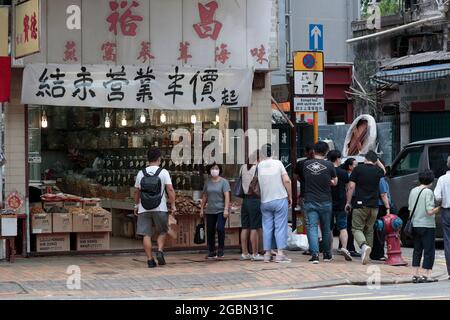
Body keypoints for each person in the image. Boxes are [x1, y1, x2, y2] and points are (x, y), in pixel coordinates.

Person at [345, 151, 390, 265]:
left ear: (365, 158)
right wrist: (377, 161)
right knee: (369, 230)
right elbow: (384, 171)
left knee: (356, 228)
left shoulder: (358, 169)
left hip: (360, 204)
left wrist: (348, 202)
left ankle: (364, 246)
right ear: (375, 161)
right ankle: (367, 256)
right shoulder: (378, 171)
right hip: (374, 205)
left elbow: (351, 186)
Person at [134, 148, 176, 268]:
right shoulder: (163, 172)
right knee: (162, 231)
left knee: (146, 234)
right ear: (159, 159)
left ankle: (150, 260)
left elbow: (137, 192)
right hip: (160, 207)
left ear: (148, 159)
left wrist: (136, 205)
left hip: (144, 208)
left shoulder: (141, 173)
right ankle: (160, 251)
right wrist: (173, 205)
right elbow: (170, 190)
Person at [303, 141, 337, 264]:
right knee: (326, 229)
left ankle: (315, 254)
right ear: (326, 152)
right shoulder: (329, 165)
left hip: (310, 200)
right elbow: (335, 181)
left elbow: (306, 178)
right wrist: (329, 181)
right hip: (326, 201)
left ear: (313, 151)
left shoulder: (306, 164)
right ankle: (327, 255)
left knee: (312, 228)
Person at [258, 144, 292, 263]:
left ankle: (267, 254)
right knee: (280, 227)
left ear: (262, 154)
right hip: (279, 198)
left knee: (267, 227)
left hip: (265, 201)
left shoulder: (260, 166)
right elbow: (287, 180)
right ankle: (280, 254)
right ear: (273, 152)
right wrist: (290, 196)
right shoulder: (278, 163)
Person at [409, 170, 440, 283]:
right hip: (427, 225)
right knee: (429, 250)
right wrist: (440, 207)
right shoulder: (428, 192)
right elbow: (430, 211)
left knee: (417, 250)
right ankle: (426, 274)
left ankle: (415, 274)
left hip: (415, 224)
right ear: (430, 181)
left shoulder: (413, 191)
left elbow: (410, 209)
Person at [200, 163, 231, 260]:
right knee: (210, 230)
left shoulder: (224, 182)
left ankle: (221, 249)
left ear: (219, 170)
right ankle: (211, 251)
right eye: (213, 168)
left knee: (220, 228)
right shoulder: (207, 182)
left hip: (221, 209)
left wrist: (226, 209)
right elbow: (205, 196)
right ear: (209, 170)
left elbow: (227, 196)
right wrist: (201, 208)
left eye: (216, 168)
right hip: (210, 210)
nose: (214, 170)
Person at [327, 150, 352, 261]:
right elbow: (347, 188)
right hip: (341, 202)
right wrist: (348, 202)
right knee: (343, 227)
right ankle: (344, 248)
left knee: (329, 228)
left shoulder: (327, 171)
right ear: (337, 159)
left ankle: (330, 252)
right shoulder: (343, 172)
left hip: (328, 202)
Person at [240, 151, 264, 261]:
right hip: (255, 200)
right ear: (258, 158)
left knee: (245, 227)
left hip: (245, 200)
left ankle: (245, 253)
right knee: (254, 227)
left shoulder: (243, 167)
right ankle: (255, 253)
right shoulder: (258, 168)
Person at [370, 175, 393, 261]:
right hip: (381, 206)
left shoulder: (371, 177)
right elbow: (383, 194)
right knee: (380, 231)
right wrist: (387, 208)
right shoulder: (381, 179)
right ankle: (379, 253)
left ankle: (373, 252)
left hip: (372, 205)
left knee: (373, 230)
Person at [340, 158, 360, 257]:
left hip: (348, 200)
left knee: (345, 224)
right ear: (350, 167)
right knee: (349, 224)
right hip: (350, 200)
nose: (357, 167)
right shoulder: (349, 176)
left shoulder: (351, 175)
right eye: (355, 165)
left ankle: (343, 245)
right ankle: (349, 247)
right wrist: (349, 202)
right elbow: (349, 189)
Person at [434, 156, 450, 281]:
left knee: (448, 241)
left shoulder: (442, 179)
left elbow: (437, 196)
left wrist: (441, 203)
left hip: (447, 212)